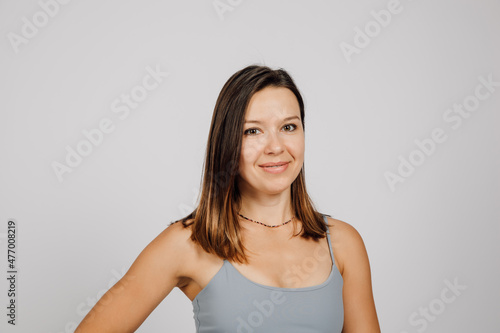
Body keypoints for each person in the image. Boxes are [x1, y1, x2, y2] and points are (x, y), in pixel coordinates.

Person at [75, 65, 381, 332]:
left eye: (289, 126)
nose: (275, 146)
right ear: (227, 141)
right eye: (252, 132)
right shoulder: (190, 242)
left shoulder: (343, 243)